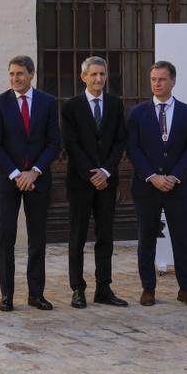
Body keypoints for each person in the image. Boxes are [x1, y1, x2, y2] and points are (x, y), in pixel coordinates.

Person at [0, 55, 61, 312]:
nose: (15, 78)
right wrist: (17, 174)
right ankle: (6, 294)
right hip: (9, 182)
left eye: (20, 74)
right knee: (6, 237)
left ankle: (36, 294)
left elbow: (54, 143)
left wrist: (35, 172)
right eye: (11, 74)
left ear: (32, 74)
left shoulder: (48, 103)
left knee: (37, 238)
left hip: (38, 181)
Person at [126, 61, 187, 306]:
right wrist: (152, 176)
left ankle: (186, 289)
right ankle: (148, 288)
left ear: (173, 81)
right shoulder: (138, 113)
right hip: (147, 187)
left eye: (161, 79)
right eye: (153, 79)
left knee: (182, 238)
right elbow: (133, 148)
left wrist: (174, 176)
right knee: (146, 238)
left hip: (177, 187)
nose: (156, 84)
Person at [60, 56, 128, 309]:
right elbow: (71, 143)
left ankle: (104, 287)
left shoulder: (115, 104)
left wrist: (106, 171)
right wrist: (91, 173)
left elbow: (120, 140)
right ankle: (77, 288)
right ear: (83, 77)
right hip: (80, 182)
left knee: (105, 236)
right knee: (77, 236)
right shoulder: (72, 106)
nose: (98, 79)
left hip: (107, 183)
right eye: (94, 75)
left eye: (102, 74)